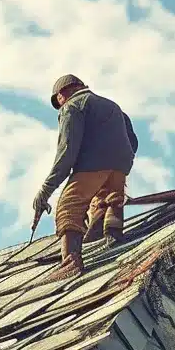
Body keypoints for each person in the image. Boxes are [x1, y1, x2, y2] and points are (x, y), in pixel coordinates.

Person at [32, 74, 138, 279]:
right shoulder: (112, 106)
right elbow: (132, 140)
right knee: (107, 199)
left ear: (62, 93)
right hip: (121, 164)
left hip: (93, 164)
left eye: (58, 100)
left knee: (68, 207)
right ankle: (111, 233)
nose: (60, 104)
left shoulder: (72, 106)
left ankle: (71, 263)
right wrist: (119, 163)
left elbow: (67, 151)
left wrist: (45, 191)